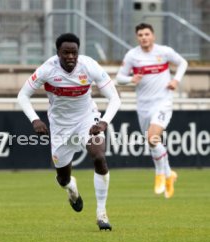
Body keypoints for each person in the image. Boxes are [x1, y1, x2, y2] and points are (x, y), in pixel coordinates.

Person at [18, 33, 121, 230]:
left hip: (87, 119)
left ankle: (102, 213)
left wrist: (104, 122)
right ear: (58, 53)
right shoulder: (47, 69)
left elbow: (115, 98)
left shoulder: (89, 66)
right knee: (62, 179)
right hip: (60, 127)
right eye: (66, 53)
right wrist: (35, 120)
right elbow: (23, 96)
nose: (71, 57)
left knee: (99, 156)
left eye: (74, 52)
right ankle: (71, 189)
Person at [116, 23, 188, 199]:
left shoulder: (163, 52)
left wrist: (176, 80)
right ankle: (170, 173)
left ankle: (160, 174)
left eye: (147, 34)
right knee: (152, 142)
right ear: (137, 38)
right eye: (140, 35)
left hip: (163, 102)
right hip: (143, 106)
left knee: (152, 138)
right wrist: (131, 78)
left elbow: (183, 63)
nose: (144, 37)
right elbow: (119, 77)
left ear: (153, 36)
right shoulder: (132, 56)